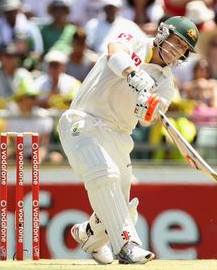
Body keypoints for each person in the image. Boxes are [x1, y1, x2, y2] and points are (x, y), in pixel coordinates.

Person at [57, 16, 199, 264]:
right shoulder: (134, 38)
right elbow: (115, 53)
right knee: (104, 174)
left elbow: (147, 119)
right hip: (83, 120)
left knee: (124, 209)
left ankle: (88, 234)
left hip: (119, 136)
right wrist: (133, 74)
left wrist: (147, 107)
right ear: (162, 33)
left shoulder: (166, 83)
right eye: (175, 42)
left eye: (183, 48)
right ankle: (127, 245)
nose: (176, 50)